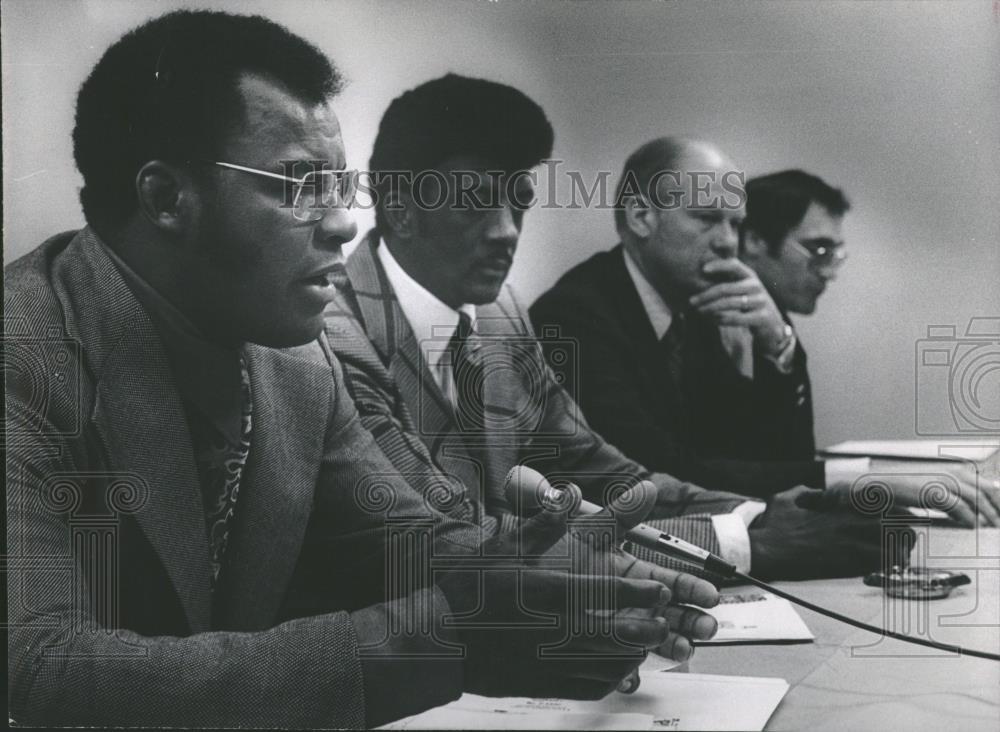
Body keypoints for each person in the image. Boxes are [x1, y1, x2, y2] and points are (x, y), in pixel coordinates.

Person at [5, 13, 720, 727]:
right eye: (299, 183)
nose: (345, 223)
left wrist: (590, 582)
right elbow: (35, 675)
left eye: (338, 185)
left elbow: (414, 541)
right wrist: (451, 634)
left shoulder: (295, 361)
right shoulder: (20, 360)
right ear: (166, 199)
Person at [324, 76, 898, 588]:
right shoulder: (336, 340)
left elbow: (601, 468)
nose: (506, 232)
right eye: (476, 204)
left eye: (519, 204)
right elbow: (454, 540)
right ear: (400, 212)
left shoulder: (501, 316)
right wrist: (744, 542)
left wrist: (754, 512)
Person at [530, 138, 999, 526]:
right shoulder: (573, 314)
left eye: (735, 223)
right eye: (707, 218)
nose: (728, 242)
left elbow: (770, 458)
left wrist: (778, 344)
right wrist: (855, 479)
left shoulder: (700, 302)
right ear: (640, 217)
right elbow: (657, 469)